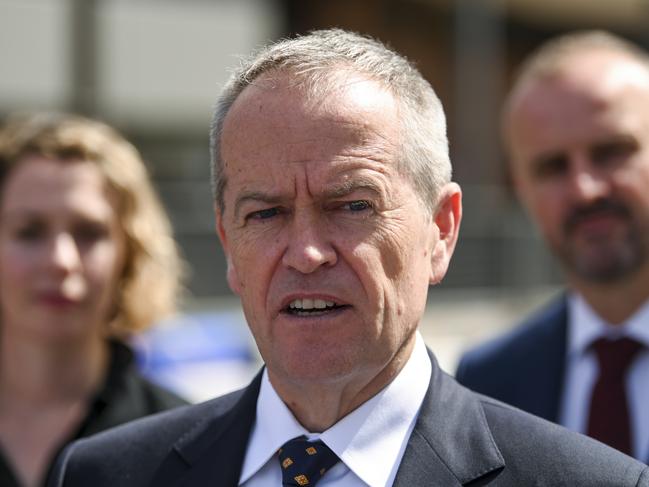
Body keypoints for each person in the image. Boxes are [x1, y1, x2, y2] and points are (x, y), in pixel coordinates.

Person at [49, 29, 649, 487]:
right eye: (266, 214)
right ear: (228, 246)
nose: (306, 253)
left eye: (352, 206)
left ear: (440, 230)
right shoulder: (108, 474)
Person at [456, 31, 649, 462]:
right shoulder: (488, 381)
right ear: (520, 188)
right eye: (552, 166)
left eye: (610, 151)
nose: (585, 189)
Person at [0, 112, 189, 487]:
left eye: (89, 233)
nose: (60, 261)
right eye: (29, 232)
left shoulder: (187, 445)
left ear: (131, 253)